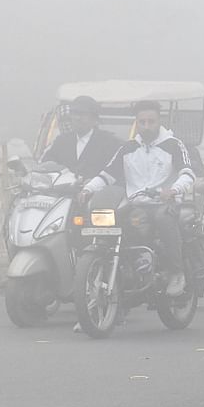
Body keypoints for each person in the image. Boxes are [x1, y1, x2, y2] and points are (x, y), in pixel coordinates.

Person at [81, 100, 194, 297]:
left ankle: (176, 272)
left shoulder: (173, 145)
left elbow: (188, 173)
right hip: (136, 205)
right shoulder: (128, 148)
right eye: (142, 122)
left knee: (162, 219)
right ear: (136, 123)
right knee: (113, 224)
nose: (146, 126)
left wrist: (174, 190)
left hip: (164, 203)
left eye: (151, 121)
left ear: (159, 121)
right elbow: (107, 175)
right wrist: (87, 189)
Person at [39, 95, 122, 182]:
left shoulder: (110, 143)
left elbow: (115, 174)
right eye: (74, 113)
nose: (77, 118)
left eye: (83, 114)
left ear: (95, 119)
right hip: (59, 194)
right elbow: (45, 166)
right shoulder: (61, 141)